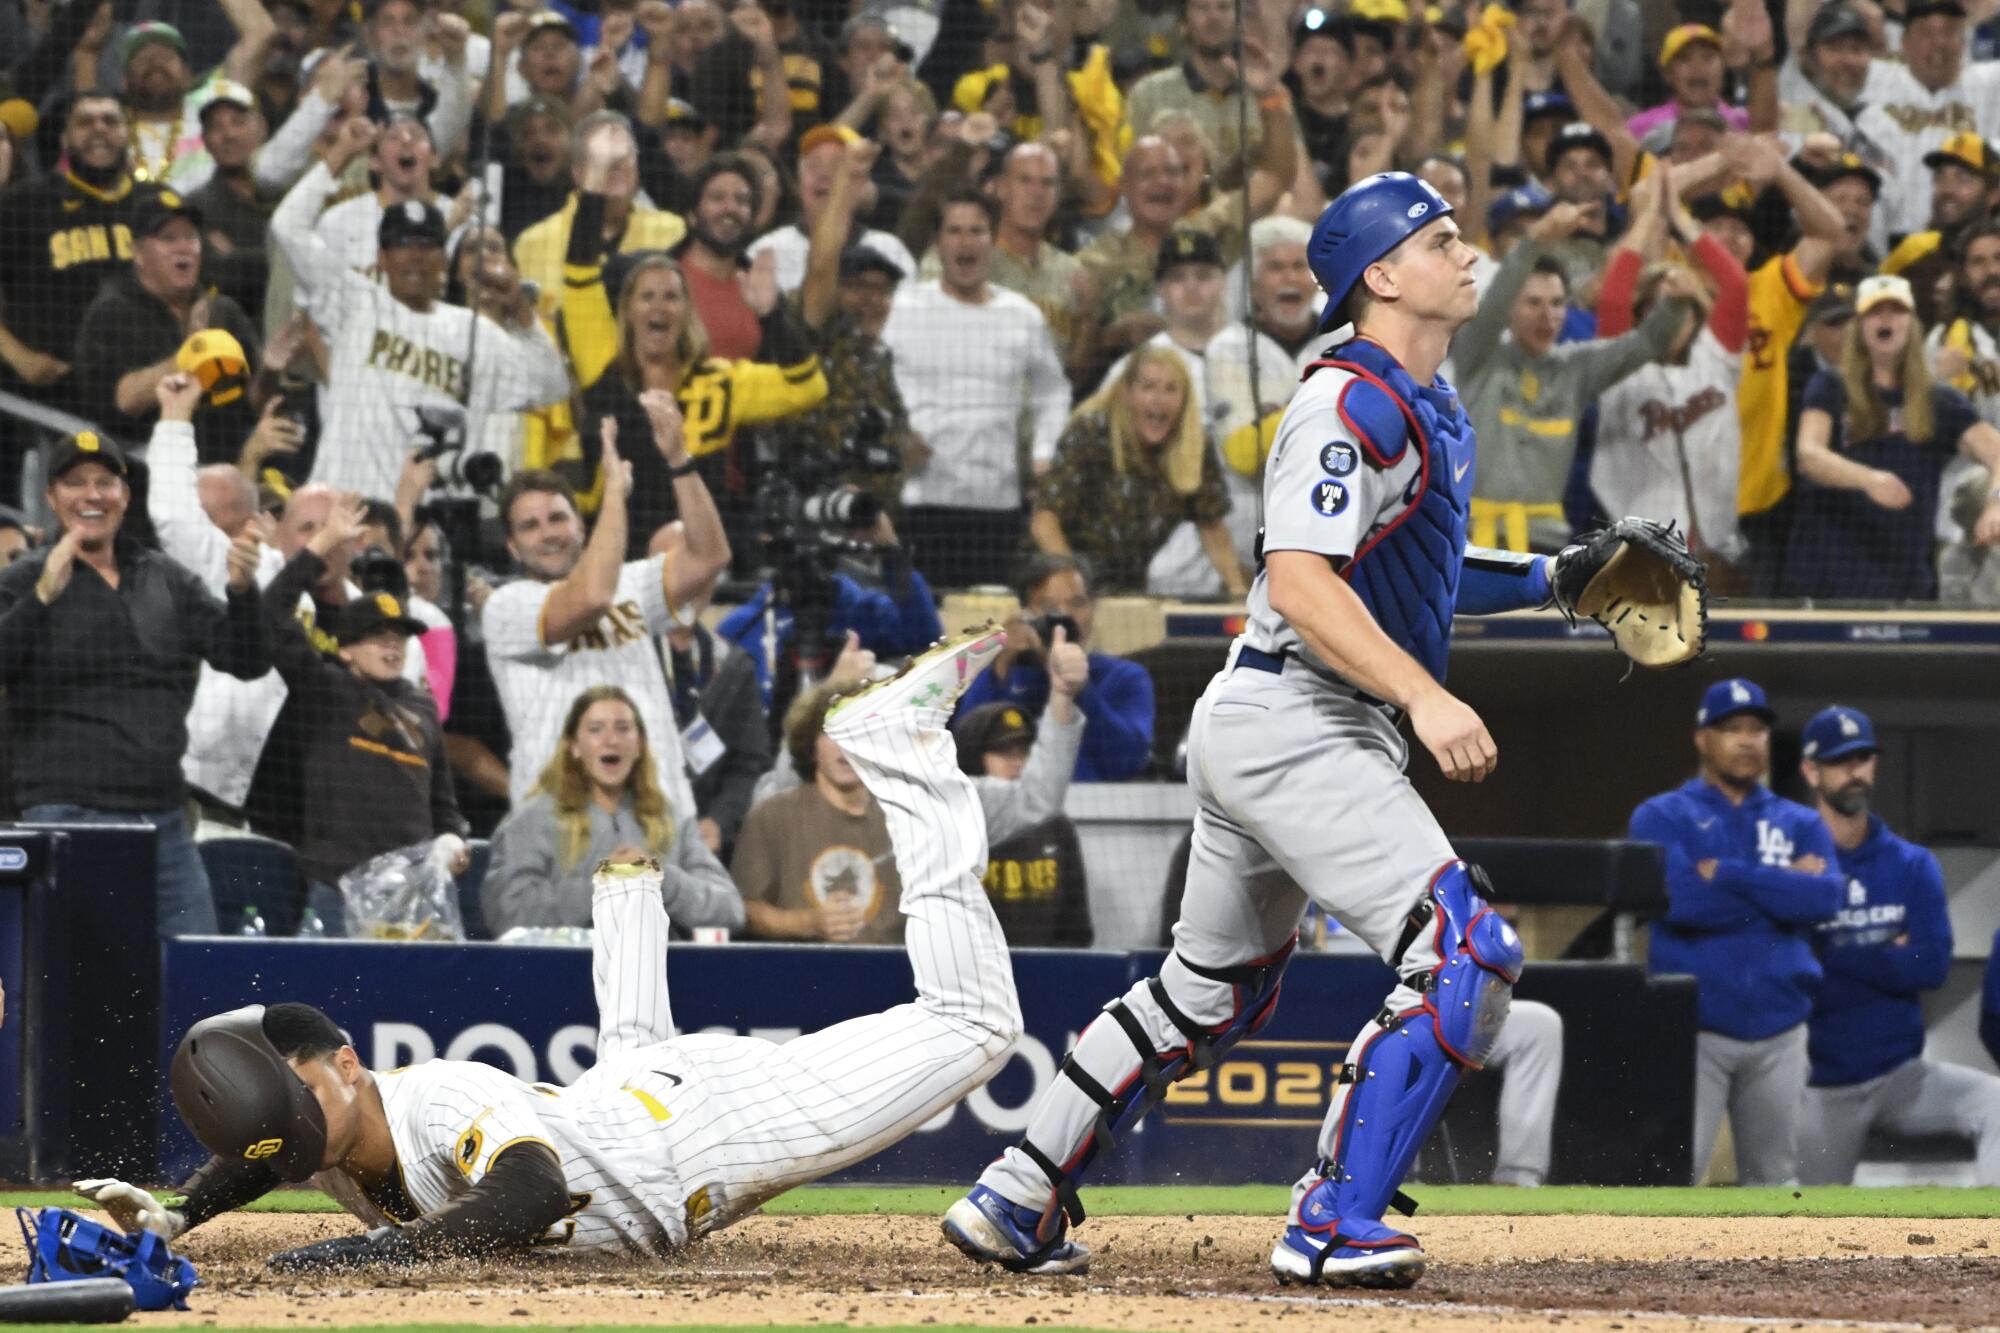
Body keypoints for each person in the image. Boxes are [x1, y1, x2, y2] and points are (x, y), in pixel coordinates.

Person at [947, 173, 1596, 1287]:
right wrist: (1428, 697)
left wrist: (1550, 578)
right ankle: (1332, 1217)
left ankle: (1018, 1193)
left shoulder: (1419, 401)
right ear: (1380, 276)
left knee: (1204, 990)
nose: (1465, 253)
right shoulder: (1351, 399)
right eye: (1438, 240)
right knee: (1464, 949)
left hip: (1286, 716)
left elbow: (1412, 572)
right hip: (1297, 711)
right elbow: (1299, 580)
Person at [79, 629, 1026, 1269]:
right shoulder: (320, 1134)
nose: (287, 1124)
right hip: (630, 1102)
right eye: (281, 1115)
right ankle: (629, 900)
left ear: (350, 1064)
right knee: (617, 1074)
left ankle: (895, 743)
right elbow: (270, 1148)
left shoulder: (436, 1095)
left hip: (706, 1133)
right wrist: (177, 1212)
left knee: (976, 1023)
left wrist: (371, 1253)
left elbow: (533, 1190)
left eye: (296, 1095)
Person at [0, 430, 268, 936]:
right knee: (73, 973)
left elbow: (246, 659)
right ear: (53, 497)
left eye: (105, 481)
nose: (92, 494)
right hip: (64, 814)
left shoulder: (166, 577)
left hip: (161, 819)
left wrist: (241, 591)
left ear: (124, 494)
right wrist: (41, 595)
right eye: (76, 483)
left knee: (198, 966)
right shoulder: (23, 579)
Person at [271, 116, 570, 502]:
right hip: (343, 508)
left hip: (427, 528)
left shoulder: (471, 331)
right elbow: (287, 225)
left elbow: (551, 384)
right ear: (381, 258)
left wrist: (520, 310)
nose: (414, 257)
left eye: (426, 245)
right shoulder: (353, 302)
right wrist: (341, 153)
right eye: (402, 245)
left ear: (443, 258)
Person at [563, 123, 826, 549]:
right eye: (646, 297)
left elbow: (809, 387)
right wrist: (594, 182)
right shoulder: (602, 365)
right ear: (627, 312)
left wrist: (772, 314)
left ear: (687, 312)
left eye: (671, 297)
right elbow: (579, 276)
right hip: (617, 561)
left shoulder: (721, 382)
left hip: (701, 563)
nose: (659, 307)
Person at [1630, 678, 1845, 1185]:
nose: (1748, 740)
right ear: (1702, 738)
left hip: (1782, 1026)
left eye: (1757, 729)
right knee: (1675, 1177)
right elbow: (1682, 903)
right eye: (1731, 729)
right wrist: (1784, 889)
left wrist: (1729, 875)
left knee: (1775, 1182)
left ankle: (1774, 1271)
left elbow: (1824, 899)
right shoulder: (1662, 815)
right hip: (1694, 1026)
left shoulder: (1801, 822)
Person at [482, 391, 729, 816]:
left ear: (580, 525)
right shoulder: (507, 606)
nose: (548, 534)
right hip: (564, 826)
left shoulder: (630, 582)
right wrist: (615, 491)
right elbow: (592, 597)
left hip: (659, 814)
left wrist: (679, 461)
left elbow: (709, 556)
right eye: (530, 526)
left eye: (558, 518)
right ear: (512, 545)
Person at [1795, 706, 2000, 1185]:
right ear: (1811, 769)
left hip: (1902, 1076)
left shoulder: (1911, 864)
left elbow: (1930, 967)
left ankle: (1989, 1246)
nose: (1856, 772)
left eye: (1864, 758)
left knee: (1997, 1104)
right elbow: (1796, 975)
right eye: (1841, 760)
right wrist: (1888, 955)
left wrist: (1835, 955)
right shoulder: (1795, 865)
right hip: (1821, 1082)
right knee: (1803, 1222)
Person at [261, 496, 465, 936]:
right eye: (376, 637)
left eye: (399, 637)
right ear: (346, 649)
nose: (391, 646)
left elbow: (443, 806)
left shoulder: (422, 706)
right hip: (337, 890)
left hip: (412, 897)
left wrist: (451, 839)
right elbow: (273, 610)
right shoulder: (326, 687)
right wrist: (326, 542)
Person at [1456, 202, 1696, 552]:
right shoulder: (1477, 354)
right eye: (1533, 302)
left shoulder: (1577, 368)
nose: (1547, 315)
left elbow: (1647, 342)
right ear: (1509, 308)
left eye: (1556, 303)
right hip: (1474, 539)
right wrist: (1536, 238)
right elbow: (1494, 298)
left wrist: (1675, 303)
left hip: (1546, 544)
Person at [882, 190, 1069, 587]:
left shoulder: (1022, 315)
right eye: (955, 231)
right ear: (938, 241)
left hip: (996, 508)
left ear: (992, 239)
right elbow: (871, 380)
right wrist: (894, 437)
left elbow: (1053, 391)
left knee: (987, 630)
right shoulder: (902, 308)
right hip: (920, 505)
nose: (965, 242)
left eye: (976, 231)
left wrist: (1042, 454)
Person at [1784, 274, 2000, 599]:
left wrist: (1995, 504)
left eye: (1896, 311)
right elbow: (1809, 456)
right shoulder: (1829, 385)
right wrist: (1867, 479)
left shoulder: (1940, 401)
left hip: (1903, 580)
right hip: (1827, 575)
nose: (1886, 319)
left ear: (1912, 325)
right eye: (1874, 312)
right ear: (1859, 327)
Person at [483, 684, 743, 936]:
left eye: (623, 729)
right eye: (596, 730)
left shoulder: (672, 820)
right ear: (574, 746)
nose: (611, 740)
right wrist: (603, 886)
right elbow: (508, 913)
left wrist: (661, 881)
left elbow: (731, 911)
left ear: (640, 745)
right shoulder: (532, 820)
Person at [1591, 166, 1751, 559]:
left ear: (1697, 314)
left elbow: (1735, 285)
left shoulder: (1717, 359)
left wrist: (1680, 219)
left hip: (1714, 546)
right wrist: (1648, 219)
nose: (1671, 317)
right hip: (1634, 549)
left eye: (1680, 307)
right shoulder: (1620, 366)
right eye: (1659, 306)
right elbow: (1613, 299)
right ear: (1642, 315)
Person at [1031, 343, 1239, 597]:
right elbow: (1045, 520)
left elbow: (1212, 525)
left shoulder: (1193, 445)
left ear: (1184, 398)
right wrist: (1071, 584)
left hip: (1128, 589)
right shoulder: (1090, 433)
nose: (1159, 400)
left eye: (1171, 389)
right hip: (1056, 580)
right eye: (1148, 387)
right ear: (1127, 393)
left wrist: (1238, 590)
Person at [72, 190, 263, 463]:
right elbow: (122, 401)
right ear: (137, 252)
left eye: (190, 237)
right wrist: (188, 357)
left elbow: (253, 401)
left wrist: (272, 369)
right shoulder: (112, 312)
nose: (183, 247)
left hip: (222, 472)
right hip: (146, 475)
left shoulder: (221, 311)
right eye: (168, 238)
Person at [0, 94, 161, 407]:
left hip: (148, 393)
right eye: (85, 121)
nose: (99, 129)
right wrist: (21, 358)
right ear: (64, 139)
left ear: (128, 135)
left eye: (111, 120)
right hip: (49, 400)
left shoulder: (159, 204)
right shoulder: (23, 204)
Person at [731, 679, 907, 944]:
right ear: (811, 745)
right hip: (802, 975)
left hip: (895, 974)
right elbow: (744, 910)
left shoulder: (907, 817)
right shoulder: (772, 816)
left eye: (858, 733)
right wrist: (808, 922)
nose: (845, 746)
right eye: (832, 732)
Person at [957, 556, 1154, 784]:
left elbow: (1128, 761)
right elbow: (964, 756)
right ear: (1025, 614)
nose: (1064, 616)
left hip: (1095, 808)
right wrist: (1000, 664)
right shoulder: (1006, 673)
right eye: (1049, 607)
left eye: (1077, 603)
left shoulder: (1126, 677)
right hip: (1009, 809)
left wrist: (1079, 688)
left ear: (1093, 608)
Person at [513, 112, 687, 319]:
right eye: (601, 157)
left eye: (624, 155)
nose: (616, 165)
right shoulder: (533, 244)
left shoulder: (674, 231)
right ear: (577, 172)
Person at [1855, 0, 2000, 242]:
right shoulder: (1872, 78)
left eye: (1950, 32)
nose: (1939, 43)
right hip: (1889, 241)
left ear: (1964, 44)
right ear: (1903, 43)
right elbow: (1804, 46)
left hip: (1969, 243)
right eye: (1926, 33)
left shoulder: (1988, 83)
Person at [952, 701, 1090, 948]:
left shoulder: (1056, 826)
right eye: (1004, 753)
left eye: (1024, 752)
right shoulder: (952, 825)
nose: (1018, 762)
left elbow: (1075, 925)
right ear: (972, 757)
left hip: (1045, 972)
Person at [1879, 133, 2000, 328]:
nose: (1947, 189)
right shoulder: (1914, 251)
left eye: (1963, 179)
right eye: (1940, 177)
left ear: (1994, 195)